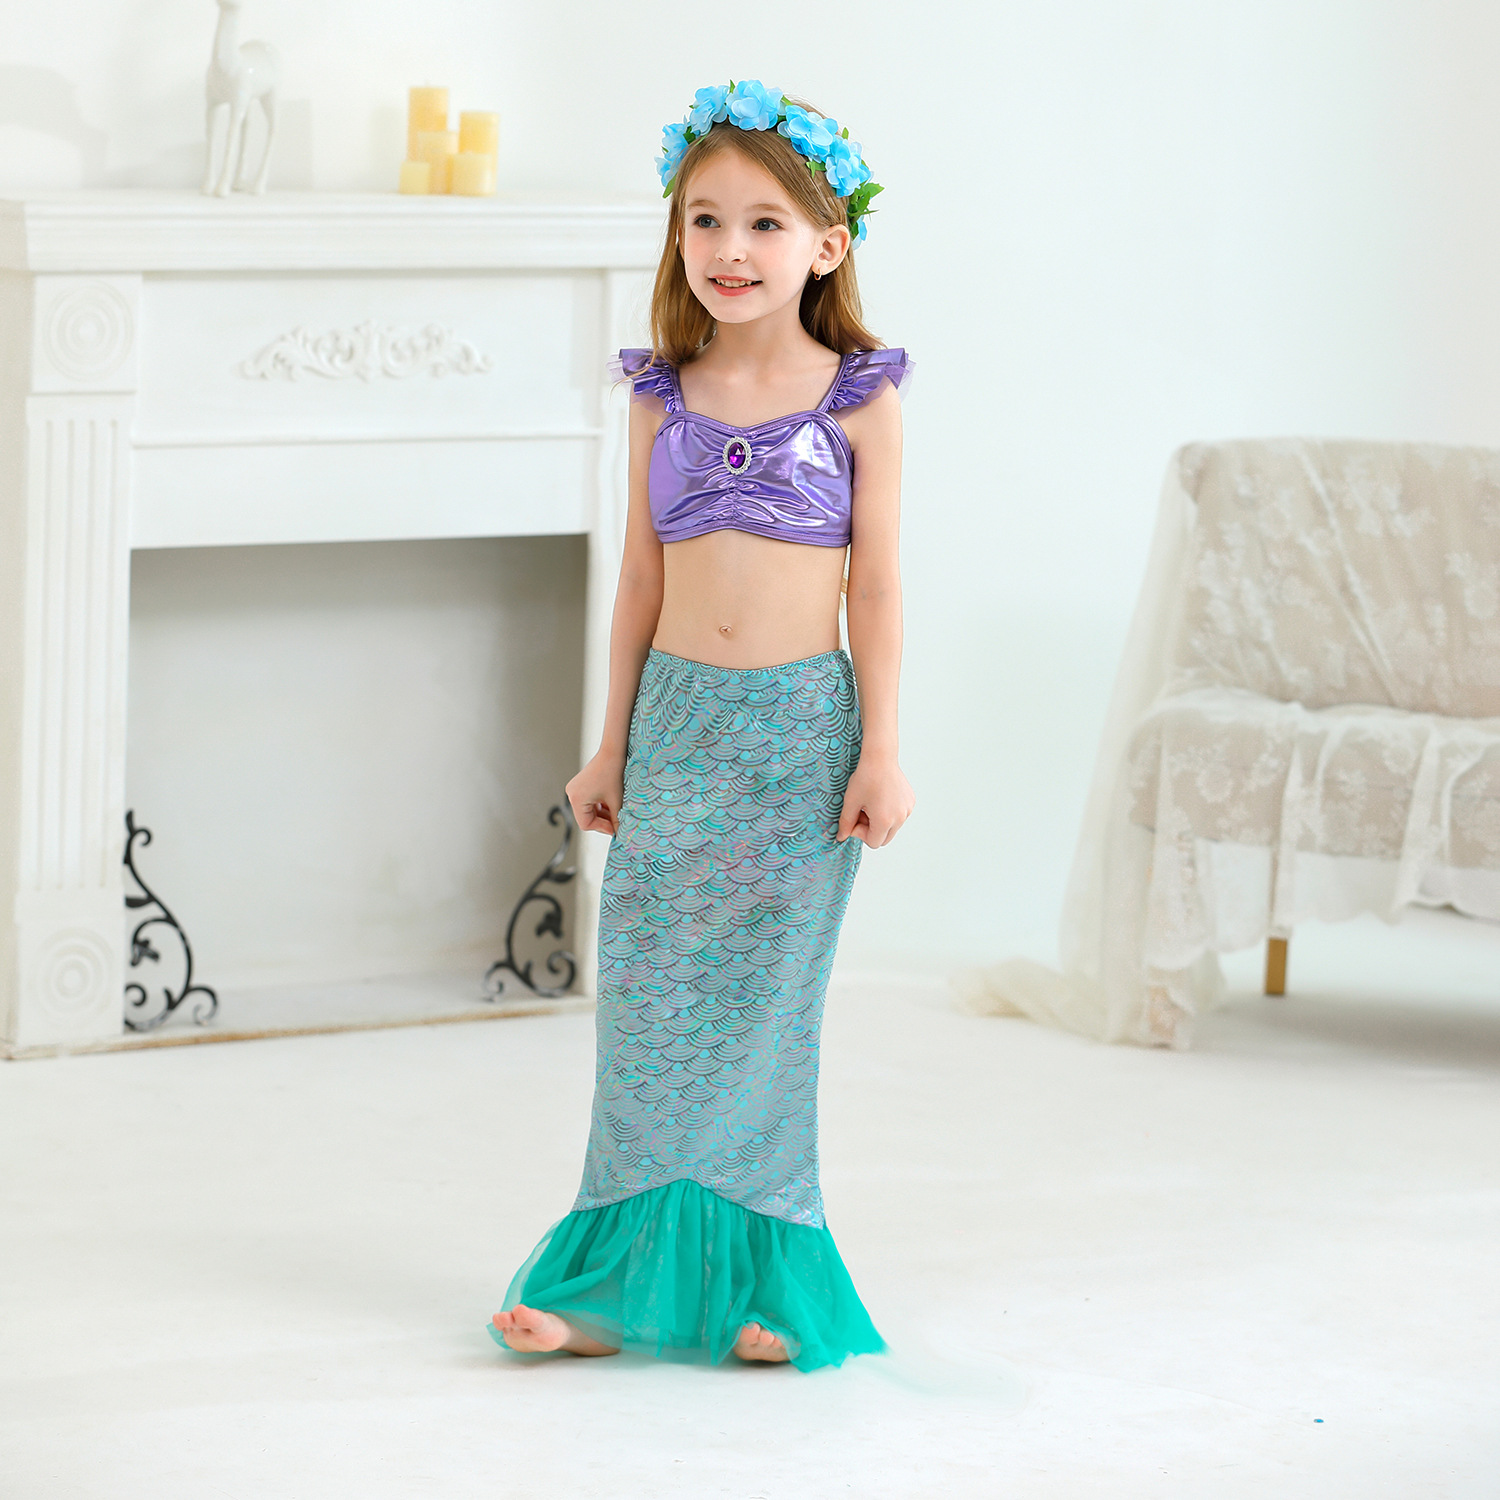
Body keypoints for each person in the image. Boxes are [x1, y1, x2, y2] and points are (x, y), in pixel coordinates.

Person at [488, 80, 914, 1372]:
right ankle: (601, 1295)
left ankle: (767, 1292)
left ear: (826, 245)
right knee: (650, 1012)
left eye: (765, 224)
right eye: (705, 221)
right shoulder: (658, 396)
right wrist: (610, 743)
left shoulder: (859, 398)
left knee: (771, 1015)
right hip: (677, 730)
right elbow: (637, 581)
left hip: (800, 739)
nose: (731, 249)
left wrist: (882, 750)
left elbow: (877, 587)